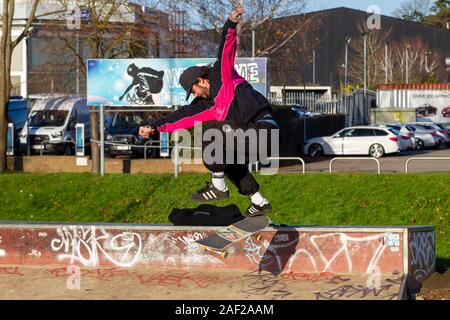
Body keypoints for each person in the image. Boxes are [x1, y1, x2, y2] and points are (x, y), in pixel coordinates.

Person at [140, 7, 279, 217]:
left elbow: (225, 48)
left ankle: (218, 187)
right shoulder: (205, 105)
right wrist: (153, 127)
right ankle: (258, 200)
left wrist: (231, 23)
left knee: (212, 132)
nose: (196, 95)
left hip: (264, 132)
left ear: (201, 80)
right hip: (246, 137)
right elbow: (180, 116)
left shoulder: (221, 75)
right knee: (225, 158)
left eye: (194, 90)